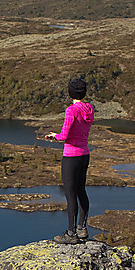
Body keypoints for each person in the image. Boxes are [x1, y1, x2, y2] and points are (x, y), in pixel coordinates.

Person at [45, 78, 94, 244]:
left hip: (71, 156)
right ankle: (82, 228)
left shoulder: (71, 110)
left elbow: (65, 136)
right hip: (84, 154)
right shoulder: (89, 108)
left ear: (70, 93)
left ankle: (71, 234)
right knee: (81, 191)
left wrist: (54, 136)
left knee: (70, 193)